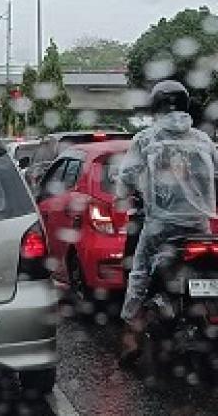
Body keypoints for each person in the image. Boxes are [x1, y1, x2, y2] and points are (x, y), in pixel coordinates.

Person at [117, 80, 218, 366]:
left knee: (139, 274)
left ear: (156, 106)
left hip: (160, 226)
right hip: (200, 226)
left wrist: (123, 196)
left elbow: (126, 177)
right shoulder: (202, 140)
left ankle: (130, 335)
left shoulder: (146, 139)